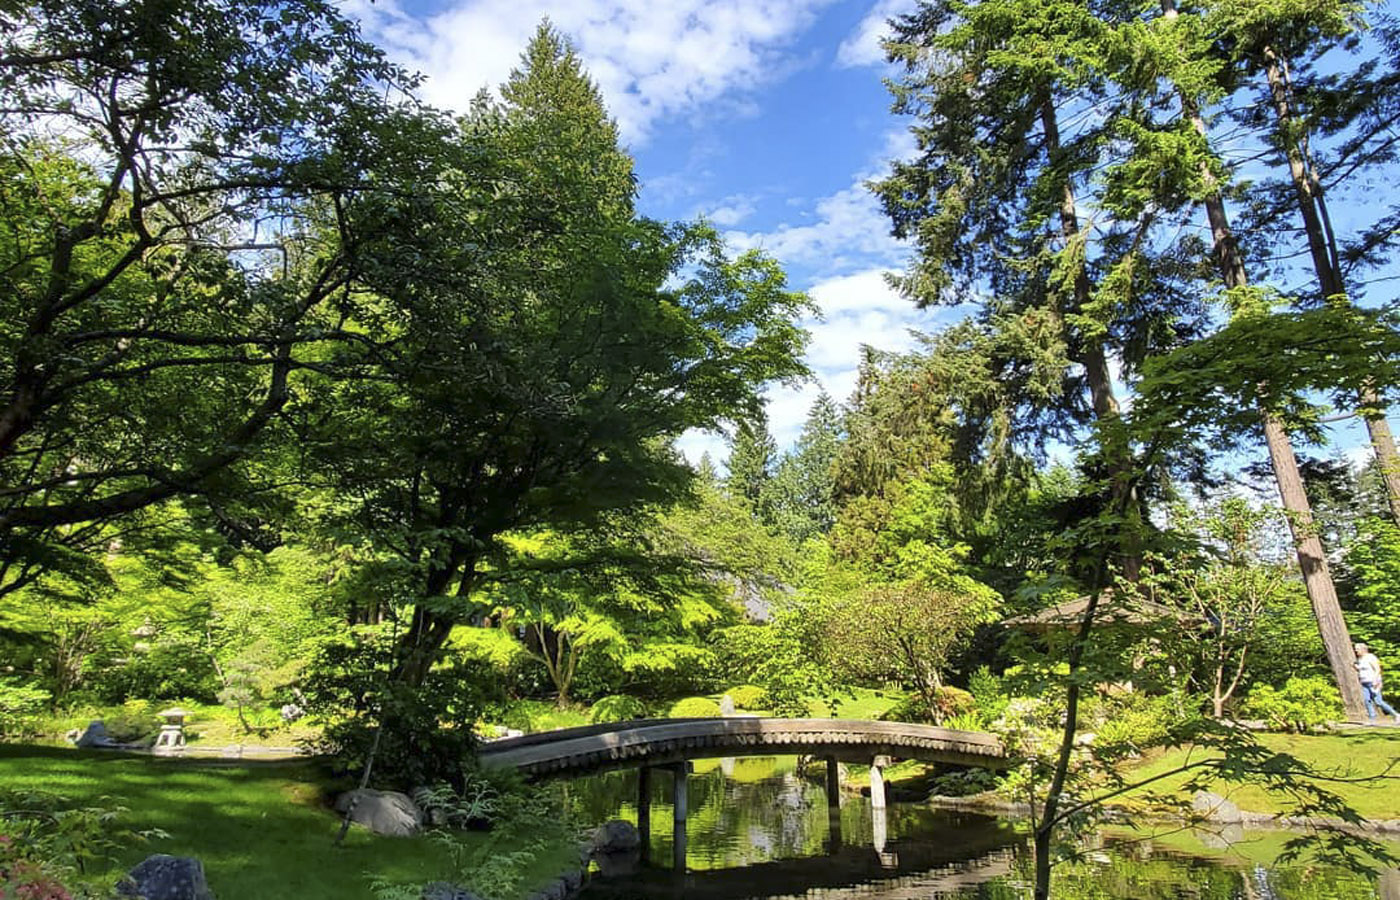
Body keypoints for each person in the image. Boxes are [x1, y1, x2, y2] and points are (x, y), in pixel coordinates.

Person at [1354, 643, 1400, 725]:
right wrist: (1356, 667)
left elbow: (1377, 669)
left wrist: (1376, 680)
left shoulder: (1371, 657)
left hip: (1372, 682)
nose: (1356, 650)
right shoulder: (1360, 659)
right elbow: (1361, 669)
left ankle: (1396, 715)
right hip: (1364, 683)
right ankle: (1372, 719)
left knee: (1378, 701)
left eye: (1357, 649)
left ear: (1363, 649)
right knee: (1367, 701)